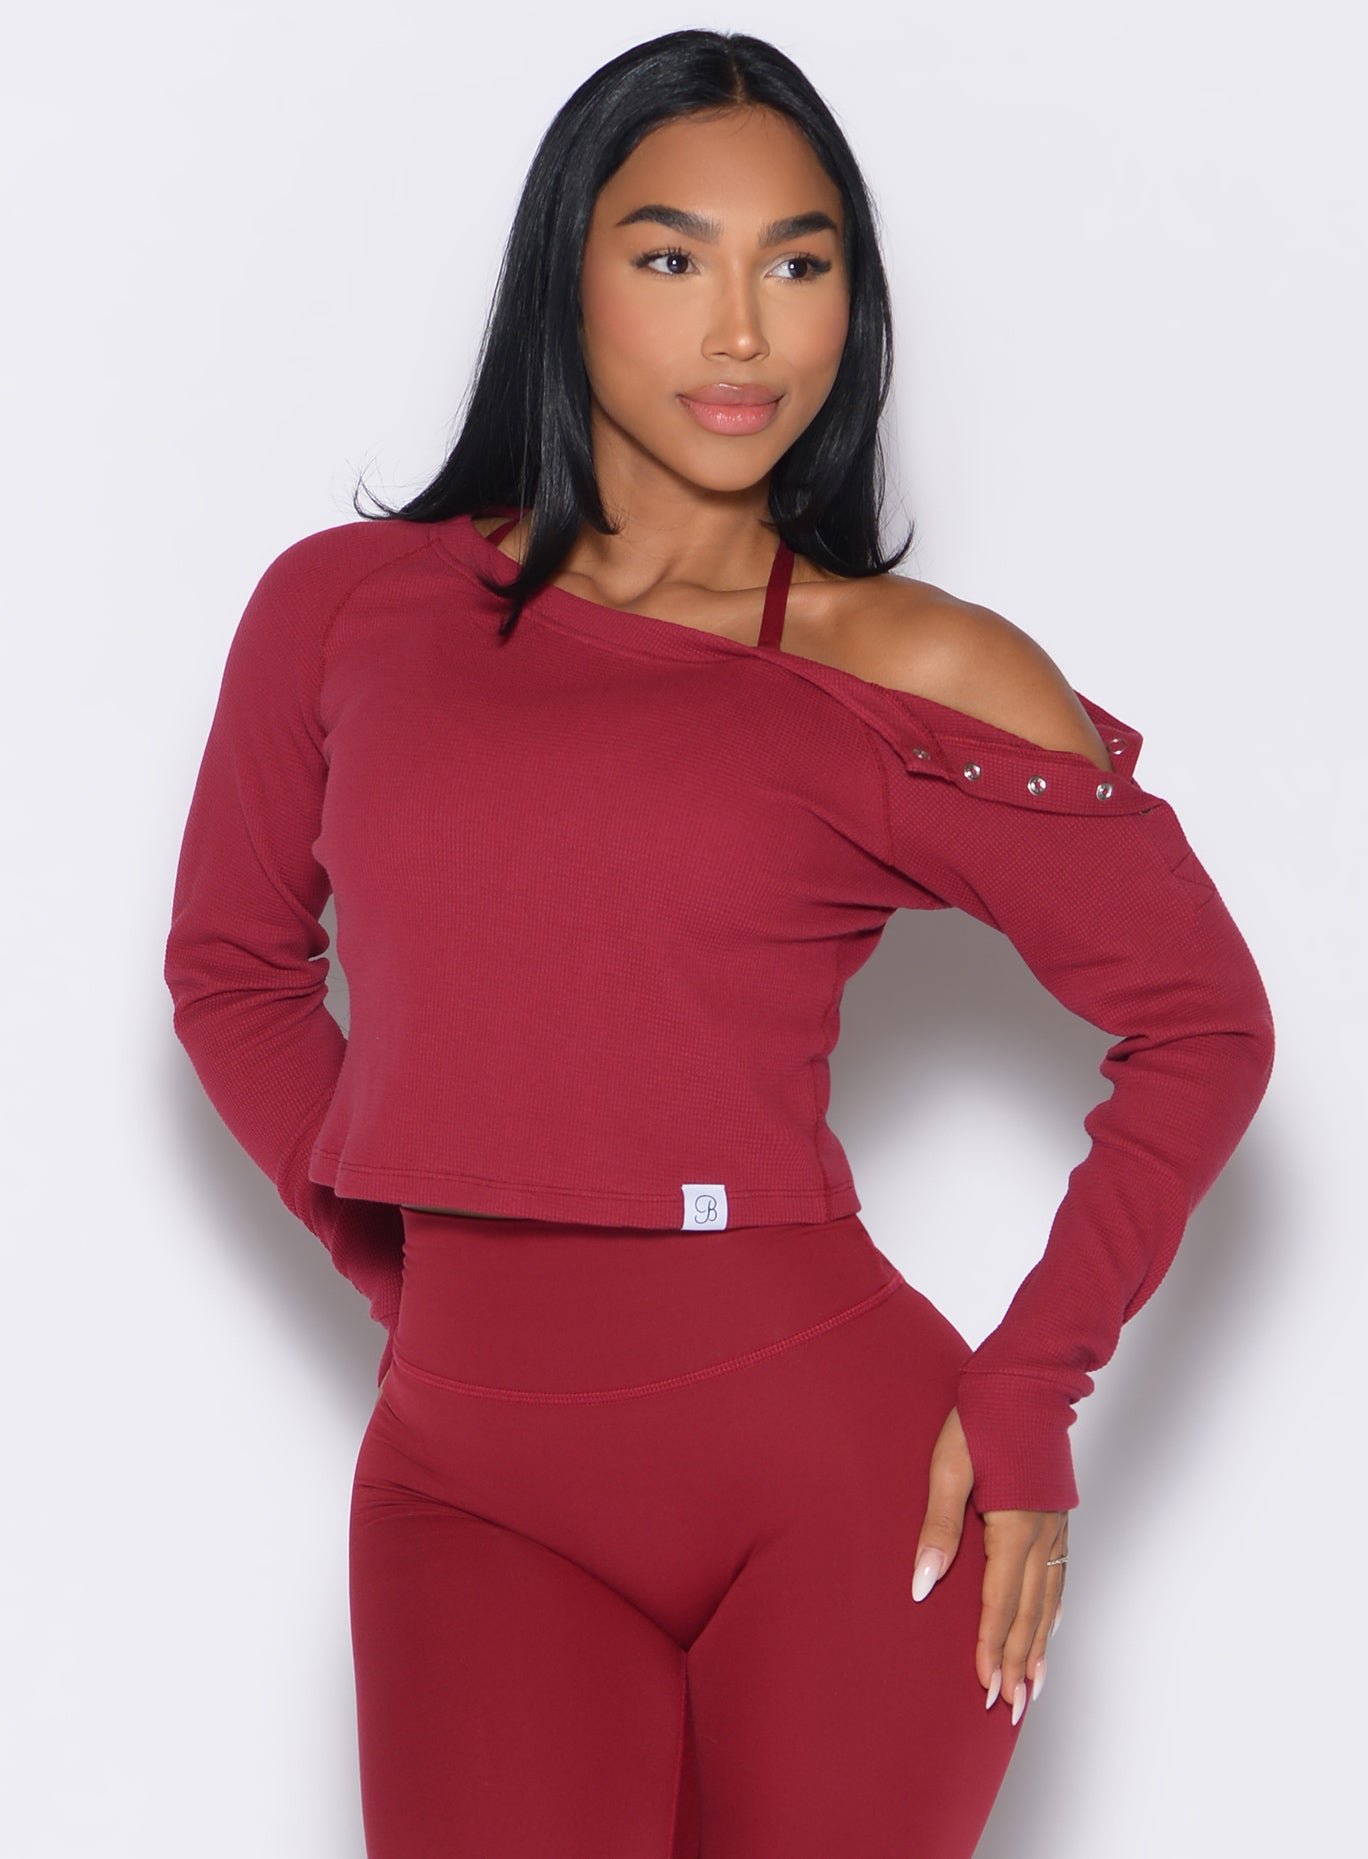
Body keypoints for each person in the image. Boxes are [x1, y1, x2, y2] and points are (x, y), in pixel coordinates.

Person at [163, 27, 1275, 1859]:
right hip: (464, 1478)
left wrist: (1030, 1384)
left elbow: (1204, 1027)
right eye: (673, 256)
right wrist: (415, 1280)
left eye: (799, 263)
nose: (743, 332)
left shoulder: (904, 665)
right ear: (567, 274)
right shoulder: (348, 609)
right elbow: (234, 972)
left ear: (854, 303)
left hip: (839, 1484)